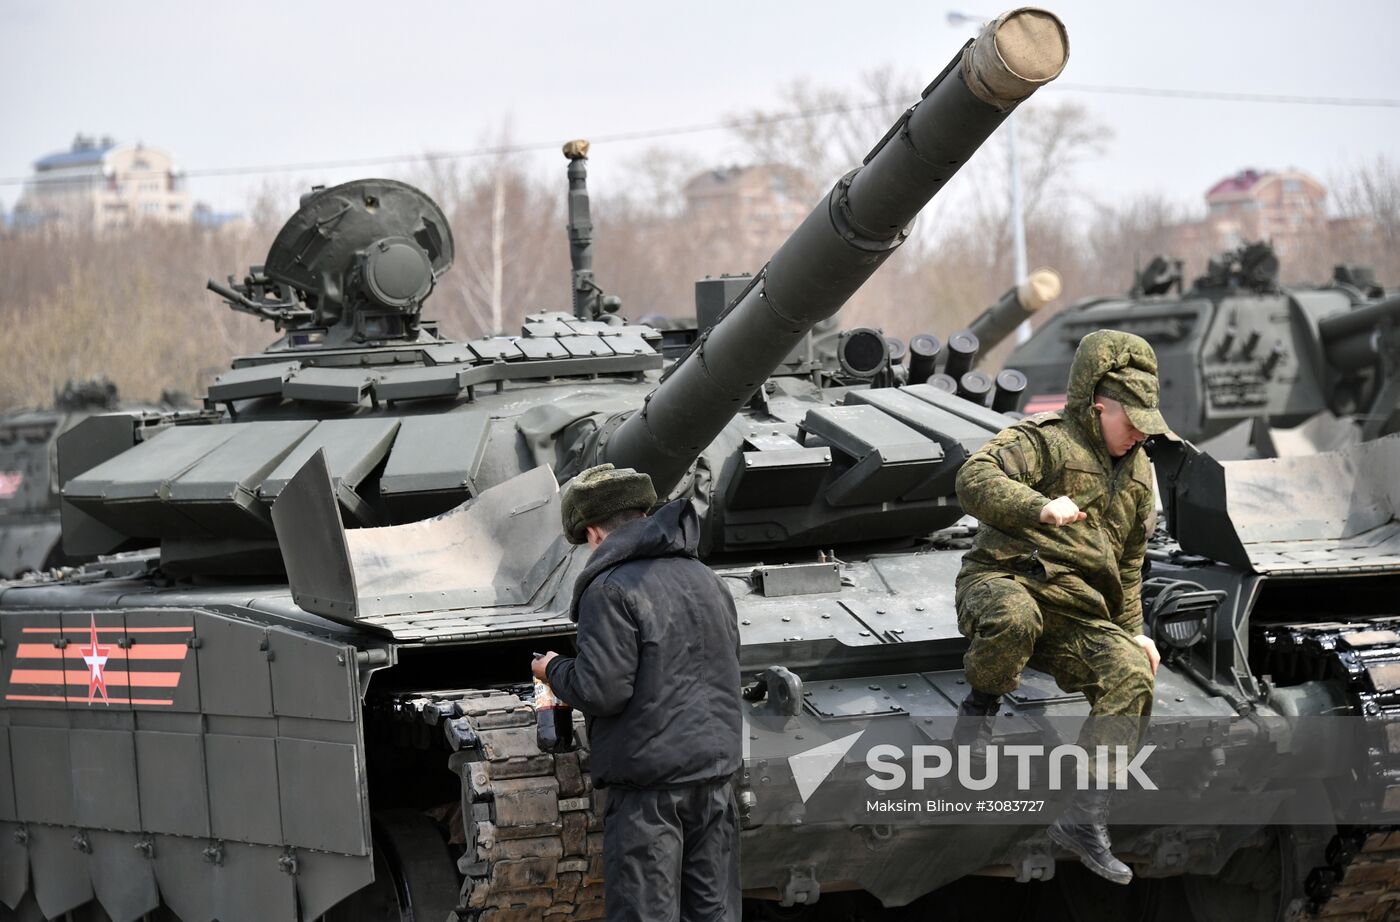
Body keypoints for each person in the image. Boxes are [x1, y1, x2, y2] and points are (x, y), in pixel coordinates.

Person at [952, 329, 1168, 885]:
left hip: (1075, 611)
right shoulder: (1046, 441)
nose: (1141, 435)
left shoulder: (1140, 472)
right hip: (1004, 579)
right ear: (1099, 410)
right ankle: (976, 722)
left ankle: (1084, 817)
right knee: (1014, 618)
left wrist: (1134, 632)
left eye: (1149, 425)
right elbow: (973, 478)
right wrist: (1040, 506)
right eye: (1133, 421)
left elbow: (1128, 563)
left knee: (1130, 673)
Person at [533, 463, 742, 922]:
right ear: (643, 512)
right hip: (714, 776)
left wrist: (553, 669)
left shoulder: (608, 589)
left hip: (651, 792)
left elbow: (602, 689)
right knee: (713, 911)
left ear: (592, 533)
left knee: (645, 913)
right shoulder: (706, 578)